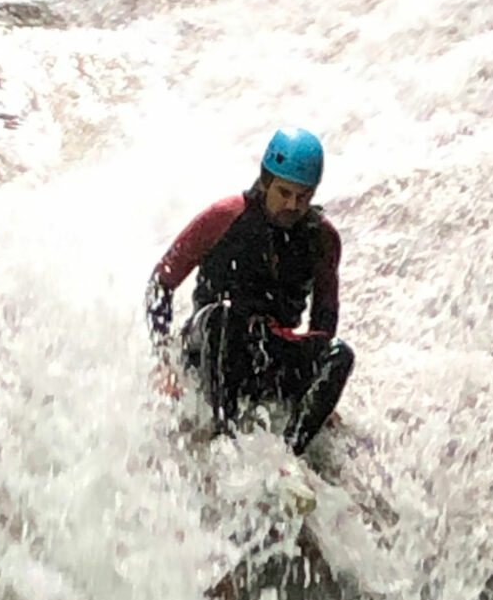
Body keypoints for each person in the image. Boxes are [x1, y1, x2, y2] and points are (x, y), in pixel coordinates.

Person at [145, 127, 355, 455]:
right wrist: (164, 360)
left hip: (268, 352)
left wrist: (316, 389)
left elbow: (324, 320)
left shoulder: (322, 238)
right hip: (211, 347)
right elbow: (161, 283)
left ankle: (291, 455)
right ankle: (224, 436)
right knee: (224, 316)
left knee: (340, 354)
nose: (293, 205)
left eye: (304, 196)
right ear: (266, 181)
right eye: (284, 193)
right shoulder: (225, 216)